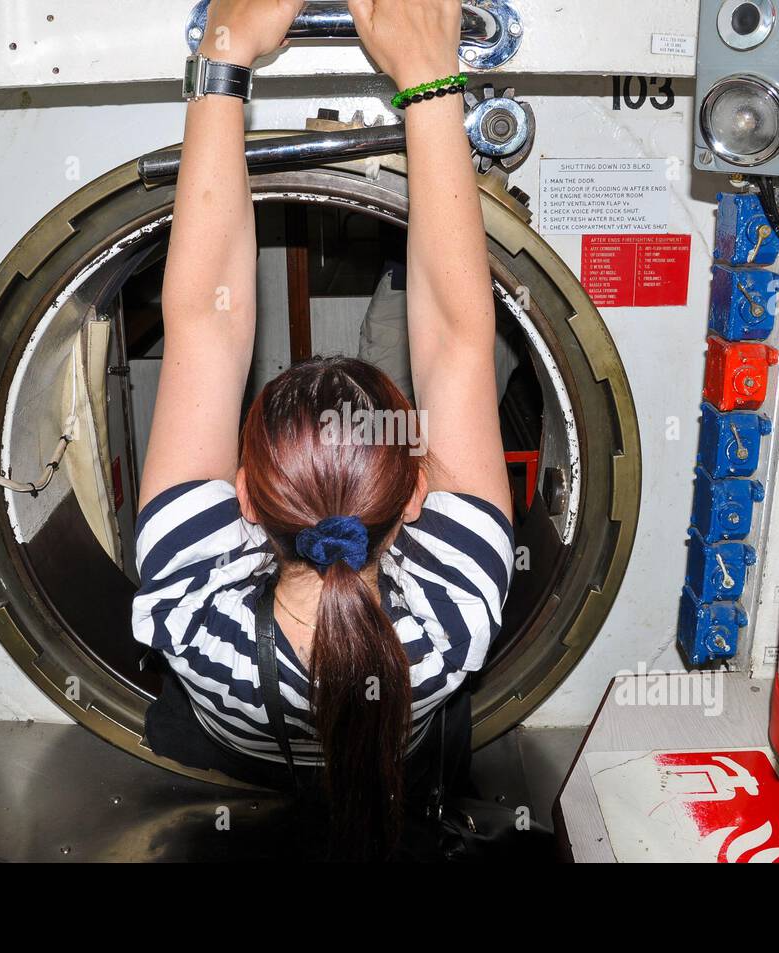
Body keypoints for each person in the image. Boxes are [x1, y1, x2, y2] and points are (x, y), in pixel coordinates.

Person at [131, 0, 514, 860]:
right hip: (395, 756)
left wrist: (224, 53)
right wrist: (430, 74)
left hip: (236, 746)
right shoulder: (456, 613)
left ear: (241, 496)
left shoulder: (190, 609)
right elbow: (456, 339)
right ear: (417, 493)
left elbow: (202, 324)